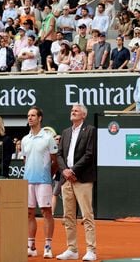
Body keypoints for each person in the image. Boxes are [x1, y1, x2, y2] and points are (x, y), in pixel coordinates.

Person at [55, 104, 97, 261]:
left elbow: (89, 154)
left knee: (87, 215)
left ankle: (91, 250)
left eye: (76, 111)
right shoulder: (65, 132)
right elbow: (59, 155)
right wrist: (65, 171)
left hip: (83, 179)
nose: (73, 112)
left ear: (83, 115)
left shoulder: (90, 130)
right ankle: (72, 249)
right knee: (68, 216)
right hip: (66, 180)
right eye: (72, 110)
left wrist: (73, 171)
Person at [22, 106, 58, 258]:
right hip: (28, 181)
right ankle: (31, 246)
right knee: (29, 213)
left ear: (40, 118)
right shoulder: (25, 139)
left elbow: (54, 161)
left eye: (33, 115)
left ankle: (48, 246)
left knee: (46, 212)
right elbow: (25, 160)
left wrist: (47, 176)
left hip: (44, 181)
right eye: (29, 115)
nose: (30, 118)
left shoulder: (48, 138)